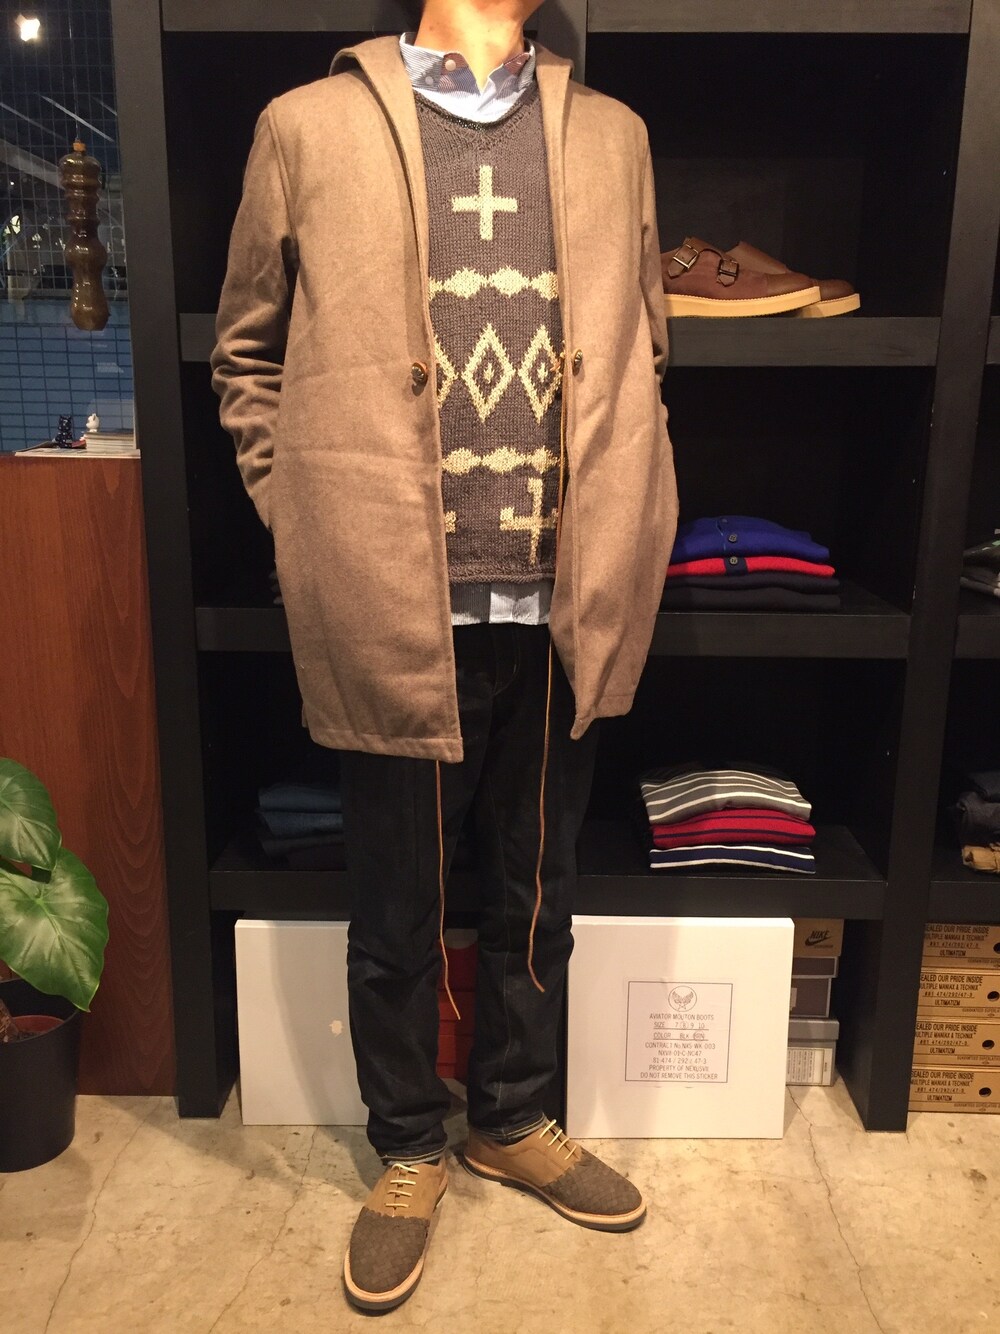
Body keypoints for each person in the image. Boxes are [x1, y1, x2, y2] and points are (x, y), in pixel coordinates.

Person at [210, 0, 677, 1313]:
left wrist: (640, 491)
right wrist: (301, 507)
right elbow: (246, 353)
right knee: (396, 909)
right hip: (389, 595)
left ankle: (513, 1117)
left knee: (538, 892)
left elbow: (648, 341)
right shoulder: (306, 127)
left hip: (565, 591)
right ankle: (410, 1141)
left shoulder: (615, 137)